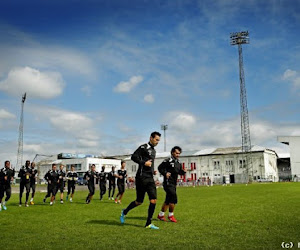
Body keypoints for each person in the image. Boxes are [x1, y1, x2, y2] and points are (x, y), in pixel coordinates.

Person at [120, 131, 161, 230]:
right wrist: (144, 163)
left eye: (159, 140)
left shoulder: (153, 151)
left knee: (153, 200)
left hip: (150, 178)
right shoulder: (143, 147)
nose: (157, 142)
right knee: (139, 201)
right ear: (151, 138)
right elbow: (133, 156)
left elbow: (149, 163)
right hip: (141, 177)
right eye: (156, 140)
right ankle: (124, 212)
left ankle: (148, 223)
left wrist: (152, 171)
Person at [157, 146, 186, 223]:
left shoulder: (178, 162)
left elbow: (179, 172)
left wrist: (184, 171)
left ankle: (161, 215)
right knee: (173, 197)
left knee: (168, 200)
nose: (178, 155)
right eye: (176, 153)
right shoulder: (168, 160)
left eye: (179, 153)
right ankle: (171, 215)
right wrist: (165, 173)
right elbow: (160, 168)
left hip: (174, 183)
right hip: (168, 182)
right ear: (172, 152)